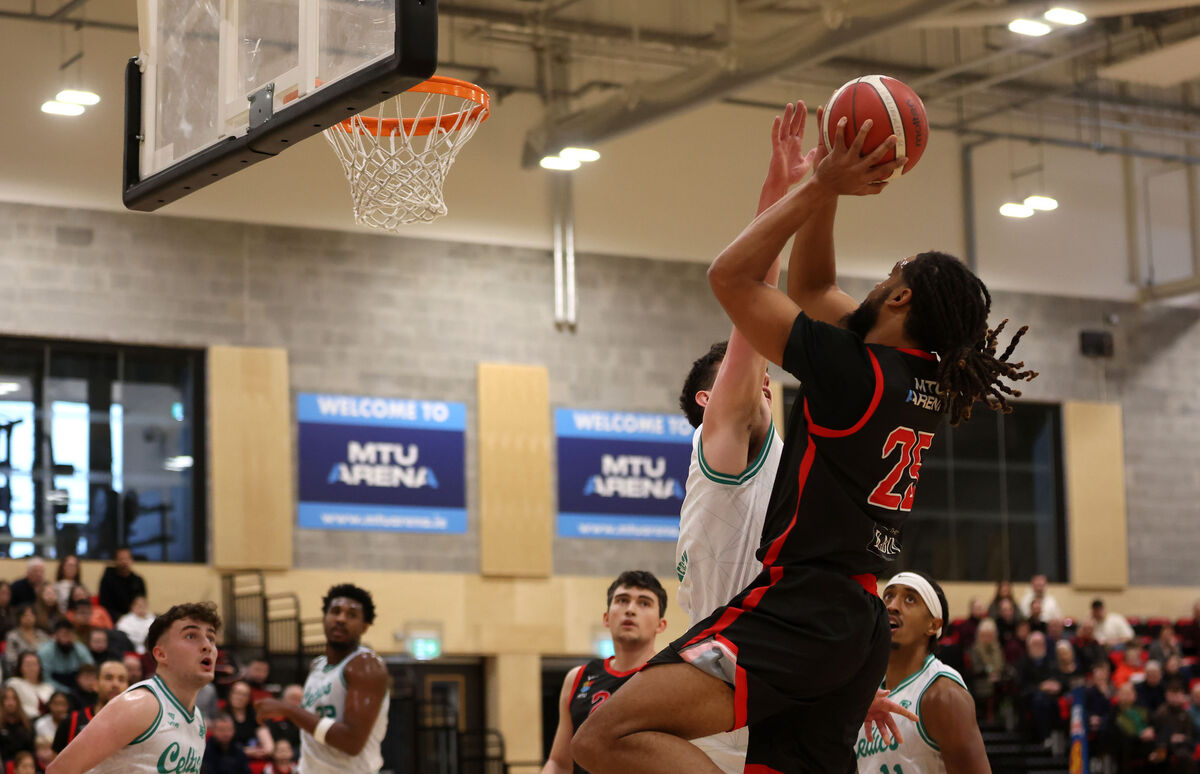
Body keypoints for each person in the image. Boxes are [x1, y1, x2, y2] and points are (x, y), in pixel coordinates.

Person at [573, 111, 1035, 774]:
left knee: (602, 736)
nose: (873, 282)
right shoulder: (920, 378)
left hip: (804, 606)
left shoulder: (853, 372)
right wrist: (827, 185)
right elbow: (813, 289)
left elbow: (731, 278)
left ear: (900, 297)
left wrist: (819, 186)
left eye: (889, 274)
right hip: (856, 620)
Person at [45, 601, 220, 774]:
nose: (207, 646)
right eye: (191, 636)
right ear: (161, 654)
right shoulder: (141, 704)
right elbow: (58, 770)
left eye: (211, 638)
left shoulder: (198, 720)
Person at [854, 572, 989, 774]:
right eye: (888, 596)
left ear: (933, 625)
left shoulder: (943, 695)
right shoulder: (866, 695)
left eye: (910, 599)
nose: (892, 606)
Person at [542, 571, 669, 774]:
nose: (630, 610)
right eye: (622, 600)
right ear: (606, 618)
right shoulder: (578, 678)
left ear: (661, 625)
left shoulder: (669, 677)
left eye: (644, 603)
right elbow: (559, 763)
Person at [254, 584, 389, 774]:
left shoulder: (366, 666)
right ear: (324, 618)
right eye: (335, 611)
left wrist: (289, 709)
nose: (341, 619)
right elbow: (313, 730)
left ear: (364, 626)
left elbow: (351, 742)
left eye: (351, 615)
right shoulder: (317, 665)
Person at [51, 661, 128, 752]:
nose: (115, 684)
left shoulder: (136, 723)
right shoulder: (71, 721)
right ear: (95, 685)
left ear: (128, 687)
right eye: (108, 678)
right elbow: (55, 759)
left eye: (121, 679)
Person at [1152, 680, 1198, 774]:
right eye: (1173, 694)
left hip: (1184, 746)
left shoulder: (1185, 713)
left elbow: (1189, 733)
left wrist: (1184, 738)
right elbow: (1157, 734)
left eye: (1178, 694)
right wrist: (1170, 738)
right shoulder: (1161, 713)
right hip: (1166, 748)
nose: (1175, 698)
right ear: (1167, 695)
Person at [37, 620, 92, 695]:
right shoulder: (45, 651)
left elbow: (90, 669)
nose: (68, 639)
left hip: (76, 687)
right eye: (64, 635)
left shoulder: (80, 649)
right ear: (56, 636)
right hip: (53, 689)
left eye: (70, 635)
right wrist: (66, 691)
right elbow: (45, 678)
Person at [228, 679, 273, 760]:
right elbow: (223, 747)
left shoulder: (254, 716)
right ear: (230, 694)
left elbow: (269, 746)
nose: (239, 697)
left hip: (252, 758)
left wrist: (264, 751)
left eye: (244, 695)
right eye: (237, 693)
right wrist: (246, 751)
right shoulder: (222, 716)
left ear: (249, 699)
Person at [97, 548, 146, 622]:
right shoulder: (108, 579)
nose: (124, 562)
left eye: (126, 559)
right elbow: (104, 604)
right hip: (112, 619)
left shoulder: (138, 580)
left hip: (134, 618)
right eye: (121, 559)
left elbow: (142, 601)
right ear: (115, 560)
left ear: (131, 560)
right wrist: (121, 618)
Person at [6, 651, 54, 719]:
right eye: (28, 665)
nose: (32, 668)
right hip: (23, 720)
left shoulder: (48, 688)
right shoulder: (14, 683)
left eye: (34, 664)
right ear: (20, 667)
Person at [6, 606, 50, 673]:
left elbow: (49, 655)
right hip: (19, 671)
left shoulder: (42, 635)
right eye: (25, 615)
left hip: (42, 671)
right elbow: (10, 658)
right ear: (19, 617)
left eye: (31, 615)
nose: (28, 618)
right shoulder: (12, 636)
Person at [263, 684, 303, 751]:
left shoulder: (305, 721)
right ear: (283, 699)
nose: (296, 703)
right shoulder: (272, 717)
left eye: (299, 700)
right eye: (293, 698)